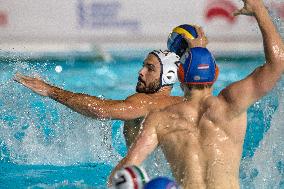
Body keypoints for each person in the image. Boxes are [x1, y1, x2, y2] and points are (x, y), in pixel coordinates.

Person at [109, 0, 284, 188]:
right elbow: (278, 62)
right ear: (216, 74)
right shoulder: (232, 104)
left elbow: (126, 168)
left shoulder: (160, 119)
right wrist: (258, 9)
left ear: (180, 75)